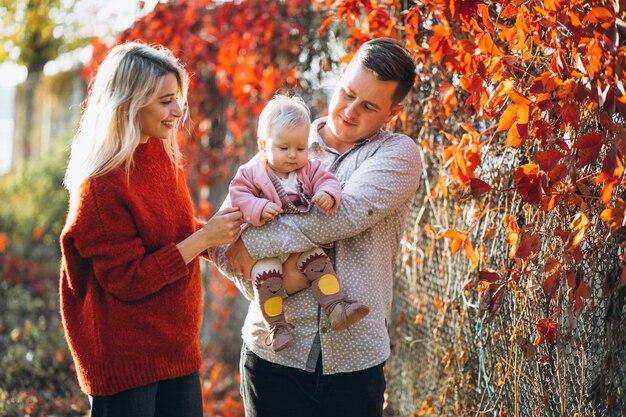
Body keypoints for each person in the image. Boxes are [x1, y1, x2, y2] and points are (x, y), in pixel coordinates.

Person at [211, 37, 421, 417]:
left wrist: (258, 249)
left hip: (354, 363)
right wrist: (270, 283)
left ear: (393, 111)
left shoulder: (398, 155)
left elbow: (342, 216)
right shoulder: (284, 141)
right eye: (348, 93)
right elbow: (223, 243)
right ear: (340, 77)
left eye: (369, 106)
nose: (350, 112)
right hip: (273, 355)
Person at [59, 42, 242, 417]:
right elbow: (130, 279)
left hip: (176, 349)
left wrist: (222, 240)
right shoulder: (101, 187)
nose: (178, 111)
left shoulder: (158, 153)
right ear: (128, 104)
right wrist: (203, 239)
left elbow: (171, 232)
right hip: (127, 363)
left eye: (178, 99)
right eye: (165, 101)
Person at [229, 94, 369, 353]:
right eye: (284, 148)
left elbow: (328, 180)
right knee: (266, 279)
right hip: (267, 245)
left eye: (300, 148)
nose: (293, 156)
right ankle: (277, 327)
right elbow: (239, 196)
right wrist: (258, 207)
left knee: (319, 262)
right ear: (263, 145)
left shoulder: (309, 169)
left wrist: (328, 195)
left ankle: (336, 307)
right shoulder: (252, 173)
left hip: (300, 242)